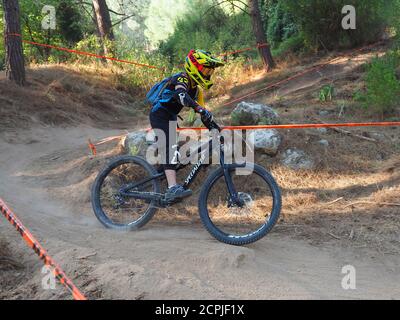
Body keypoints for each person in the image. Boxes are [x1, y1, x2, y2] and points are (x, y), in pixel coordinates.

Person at [148, 49, 225, 202]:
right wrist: (199, 108)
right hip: (159, 115)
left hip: (170, 117)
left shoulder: (197, 90)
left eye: (210, 70)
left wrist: (216, 129)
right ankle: (172, 188)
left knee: (177, 155)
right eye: (205, 69)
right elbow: (180, 95)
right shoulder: (182, 78)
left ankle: (154, 183)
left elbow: (203, 115)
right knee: (169, 147)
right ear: (194, 66)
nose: (208, 73)